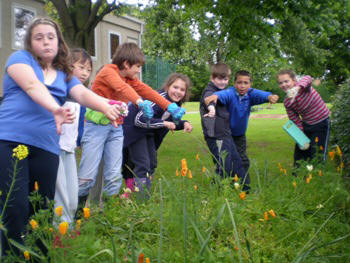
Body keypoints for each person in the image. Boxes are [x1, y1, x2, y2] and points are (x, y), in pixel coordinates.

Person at [0, 18, 121, 256]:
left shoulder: (64, 75)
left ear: (59, 42)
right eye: (39, 37)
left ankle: (38, 257)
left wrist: (107, 107)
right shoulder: (19, 60)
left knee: (42, 209)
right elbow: (33, 87)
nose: (45, 41)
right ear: (30, 42)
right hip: (10, 140)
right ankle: (12, 257)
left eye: (50, 36)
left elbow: (84, 94)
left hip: (46, 148)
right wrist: (55, 108)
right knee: (15, 206)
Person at [77, 43, 186, 210]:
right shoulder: (108, 71)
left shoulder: (129, 78)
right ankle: (76, 215)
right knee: (87, 177)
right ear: (126, 64)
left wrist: (168, 106)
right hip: (96, 127)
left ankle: (106, 214)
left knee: (113, 177)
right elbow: (122, 88)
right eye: (137, 66)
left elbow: (146, 90)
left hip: (116, 128)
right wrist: (139, 102)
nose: (138, 71)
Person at [121, 73, 193, 200]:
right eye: (175, 87)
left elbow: (171, 122)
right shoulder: (159, 99)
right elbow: (139, 120)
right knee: (142, 163)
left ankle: (138, 191)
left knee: (152, 163)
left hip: (147, 132)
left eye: (182, 89)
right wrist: (164, 123)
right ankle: (140, 198)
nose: (178, 92)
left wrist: (184, 123)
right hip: (134, 130)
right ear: (167, 87)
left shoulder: (174, 104)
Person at [205, 70, 279, 180]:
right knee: (224, 161)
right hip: (226, 136)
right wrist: (214, 97)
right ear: (234, 83)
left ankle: (242, 183)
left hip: (240, 136)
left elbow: (265, 95)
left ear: (250, 84)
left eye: (246, 83)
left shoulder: (250, 94)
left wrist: (271, 97)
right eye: (239, 82)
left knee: (243, 160)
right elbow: (219, 95)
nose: (242, 86)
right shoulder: (230, 93)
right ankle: (218, 185)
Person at [54, 48, 92, 224]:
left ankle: (67, 229)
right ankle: (59, 231)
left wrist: (78, 142)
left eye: (88, 70)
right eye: (81, 67)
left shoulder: (81, 95)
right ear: (69, 66)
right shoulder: (61, 91)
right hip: (55, 148)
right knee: (60, 194)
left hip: (69, 149)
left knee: (72, 193)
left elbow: (80, 123)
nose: (85, 73)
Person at [199, 63, 248, 190]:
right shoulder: (210, 90)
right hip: (216, 135)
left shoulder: (223, 92)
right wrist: (211, 109)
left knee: (236, 161)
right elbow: (209, 99)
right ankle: (218, 191)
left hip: (226, 134)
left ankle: (245, 188)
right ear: (212, 78)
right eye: (220, 79)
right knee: (223, 164)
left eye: (225, 79)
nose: (223, 82)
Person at [276, 69, 330, 166]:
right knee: (300, 151)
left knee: (317, 152)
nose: (283, 84)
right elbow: (295, 120)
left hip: (321, 123)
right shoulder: (287, 102)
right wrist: (301, 138)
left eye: (286, 81)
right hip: (307, 124)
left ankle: (318, 175)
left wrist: (296, 89)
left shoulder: (304, 88)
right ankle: (297, 175)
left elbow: (308, 78)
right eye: (280, 83)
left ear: (293, 80)